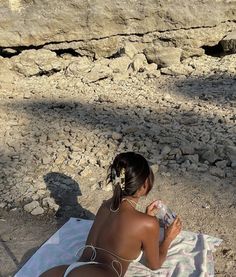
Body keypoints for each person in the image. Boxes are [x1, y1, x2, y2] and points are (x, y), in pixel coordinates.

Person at [40, 152, 182, 277]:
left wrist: (145, 218)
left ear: (116, 179)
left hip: (65, 270)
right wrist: (168, 238)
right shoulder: (147, 223)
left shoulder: (105, 206)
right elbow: (154, 265)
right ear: (144, 185)